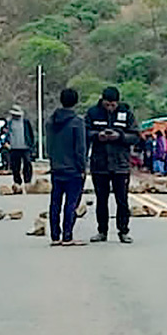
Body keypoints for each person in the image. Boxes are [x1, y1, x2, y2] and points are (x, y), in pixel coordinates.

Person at [86, 86, 140, 243]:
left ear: (117, 102)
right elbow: (85, 132)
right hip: (100, 164)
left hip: (120, 164)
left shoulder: (127, 114)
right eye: (107, 104)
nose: (110, 107)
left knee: (122, 200)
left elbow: (135, 135)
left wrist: (120, 136)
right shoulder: (93, 113)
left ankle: (123, 231)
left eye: (113, 105)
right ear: (102, 101)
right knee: (101, 199)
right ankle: (102, 231)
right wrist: (98, 135)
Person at [47, 88, 88, 246]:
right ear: (76, 101)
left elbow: (49, 146)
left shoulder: (51, 122)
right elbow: (80, 148)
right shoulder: (77, 122)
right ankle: (68, 236)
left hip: (56, 168)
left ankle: (55, 236)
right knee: (71, 203)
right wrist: (82, 167)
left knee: (55, 203)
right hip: (73, 169)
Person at [4, 105, 36, 185]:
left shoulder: (25, 122)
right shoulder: (9, 123)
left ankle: (27, 180)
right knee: (15, 166)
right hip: (14, 147)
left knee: (27, 163)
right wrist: (6, 142)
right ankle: (17, 181)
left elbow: (30, 134)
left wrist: (31, 145)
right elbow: (5, 134)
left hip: (25, 147)